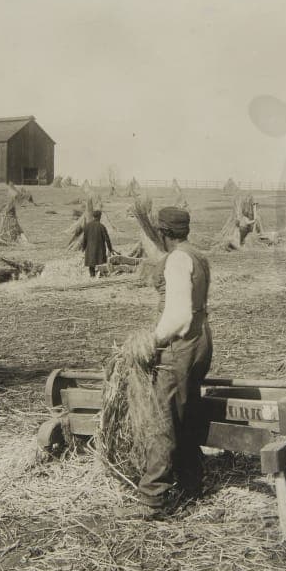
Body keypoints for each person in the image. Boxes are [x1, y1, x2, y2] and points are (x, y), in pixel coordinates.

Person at [120, 206, 213, 518]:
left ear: (162, 232)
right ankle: (191, 482)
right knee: (185, 410)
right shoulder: (198, 255)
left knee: (165, 419)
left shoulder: (175, 260)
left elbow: (178, 315)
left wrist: (151, 341)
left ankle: (152, 496)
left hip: (180, 344)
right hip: (202, 339)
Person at [79, 209, 113, 277]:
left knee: (91, 263)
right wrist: (110, 249)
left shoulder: (87, 226)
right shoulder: (101, 226)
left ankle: (92, 275)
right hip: (99, 249)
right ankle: (101, 274)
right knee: (100, 261)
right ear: (99, 217)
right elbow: (107, 239)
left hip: (90, 248)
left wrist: (83, 248)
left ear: (93, 217)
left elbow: (84, 239)